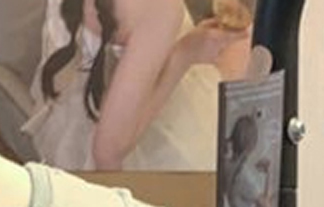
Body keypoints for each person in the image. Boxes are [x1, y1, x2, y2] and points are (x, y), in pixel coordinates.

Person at [24, 0, 247, 172]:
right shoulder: (160, 9)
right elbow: (107, 154)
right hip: (132, 152)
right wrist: (184, 54)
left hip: (71, 102)